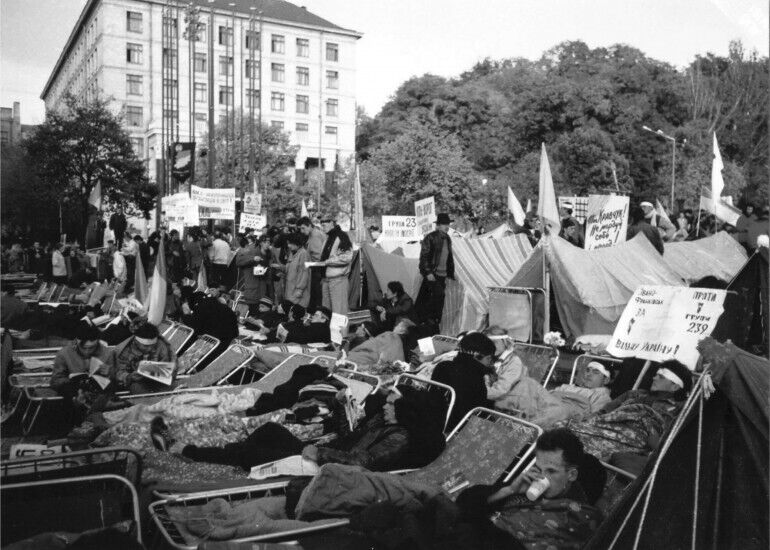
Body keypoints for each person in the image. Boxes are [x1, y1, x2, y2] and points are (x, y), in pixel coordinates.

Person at [150, 385, 447, 472]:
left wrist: (319, 453)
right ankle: (232, 453)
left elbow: (362, 462)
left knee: (257, 449)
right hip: (326, 452)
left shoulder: (399, 437)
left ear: (407, 412)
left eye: (391, 404)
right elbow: (349, 438)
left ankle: (185, 450)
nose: (384, 406)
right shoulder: (383, 423)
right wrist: (340, 405)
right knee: (269, 431)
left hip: (328, 466)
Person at [456, 428, 603, 550]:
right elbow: (463, 503)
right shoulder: (523, 486)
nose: (542, 477)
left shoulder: (578, 515)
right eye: (539, 469)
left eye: (551, 471)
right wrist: (509, 490)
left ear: (571, 474)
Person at [493, 361, 613, 427]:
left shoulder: (602, 396)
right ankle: (498, 416)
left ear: (606, 380)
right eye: (587, 370)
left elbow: (592, 419)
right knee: (526, 382)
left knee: (561, 410)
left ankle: (522, 427)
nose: (588, 374)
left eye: (595, 372)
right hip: (550, 402)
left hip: (570, 411)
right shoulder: (568, 386)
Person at [50, 322, 116, 426]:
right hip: (72, 389)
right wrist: (72, 383)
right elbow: (55, 381)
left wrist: (109, 372)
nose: (87, 351)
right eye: (84, 348)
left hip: (98, 391)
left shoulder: (107, 353)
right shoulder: (65, 353)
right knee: (68, 395)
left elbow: (114, 379)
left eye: (91, 348)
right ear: (77, 342)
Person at [432, 332, 496, 430]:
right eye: (490, 359)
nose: (490, 363)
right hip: (456, 428)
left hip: (434, 420)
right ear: (479, 356)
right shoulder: (475, 378)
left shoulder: (442, 366)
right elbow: (475, 413)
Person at [114, 322, 177, 394]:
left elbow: (170, 369)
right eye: (145, 346)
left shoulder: (161, 345)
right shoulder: (125, 350)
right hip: (135, 382)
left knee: (172, 388)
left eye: (152, 345)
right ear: (136, 342)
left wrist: (161, 372)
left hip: (158, 381)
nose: (150, 349)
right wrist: (130, 376)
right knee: (136, 387)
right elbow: (118, 372)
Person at [416, 213, 455, 326]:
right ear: (438, 225)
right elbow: (424, 256)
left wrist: (450, 273)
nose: (446, 226)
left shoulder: (447, 238)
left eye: (447, 224)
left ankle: (428, 321)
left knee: (429, 297)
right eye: (444, 224)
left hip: (442, 275)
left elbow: (448, 258)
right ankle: (431, 320)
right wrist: (428, 272)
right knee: (439, 295)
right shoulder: (431, 237)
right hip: (433, 273)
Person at [181, 289, 239, 355]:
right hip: (227, 347)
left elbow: (194, 328)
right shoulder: (223, 307)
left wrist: (186, 315)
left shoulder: (201, 308)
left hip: (210, 347)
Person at [319, 216, 354, 314]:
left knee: (339, 312)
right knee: (326, 312)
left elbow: (346, 257)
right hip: (327, 280)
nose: (322, 226)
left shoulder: (342, 236)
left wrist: (327, 262)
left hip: (338, 279)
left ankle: (340, 330)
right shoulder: (328, 238)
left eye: (325, 223)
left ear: (332, 223)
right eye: (321, 224)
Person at [299, 216, 326, 310]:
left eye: (303, 228)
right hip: (317, 270)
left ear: (310, 225)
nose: (302, 231)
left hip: (317, 270)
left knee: (317, 296)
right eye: (301, 229)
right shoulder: (313, 234)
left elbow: (319, 257)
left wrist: (308, 264)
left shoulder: (315, 236)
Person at [276, 233, 310, 308]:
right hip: (290, 289)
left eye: (290, 243)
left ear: (296, 243)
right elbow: (290, 268)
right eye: (288, 244)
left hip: (297, 291)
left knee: (295, 312)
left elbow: (304, 273)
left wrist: (300, 289)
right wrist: (281, 269)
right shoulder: (292, 253)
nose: (289, 246)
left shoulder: (303, 254)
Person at [234, 235, 267, 312]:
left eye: (269, 242)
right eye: (265, 242)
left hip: (263, 293)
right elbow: (239, 261)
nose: (268, 245)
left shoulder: (268, 254)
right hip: (252, 292)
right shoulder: (250, 252)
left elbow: (260, 272)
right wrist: (253, 259)